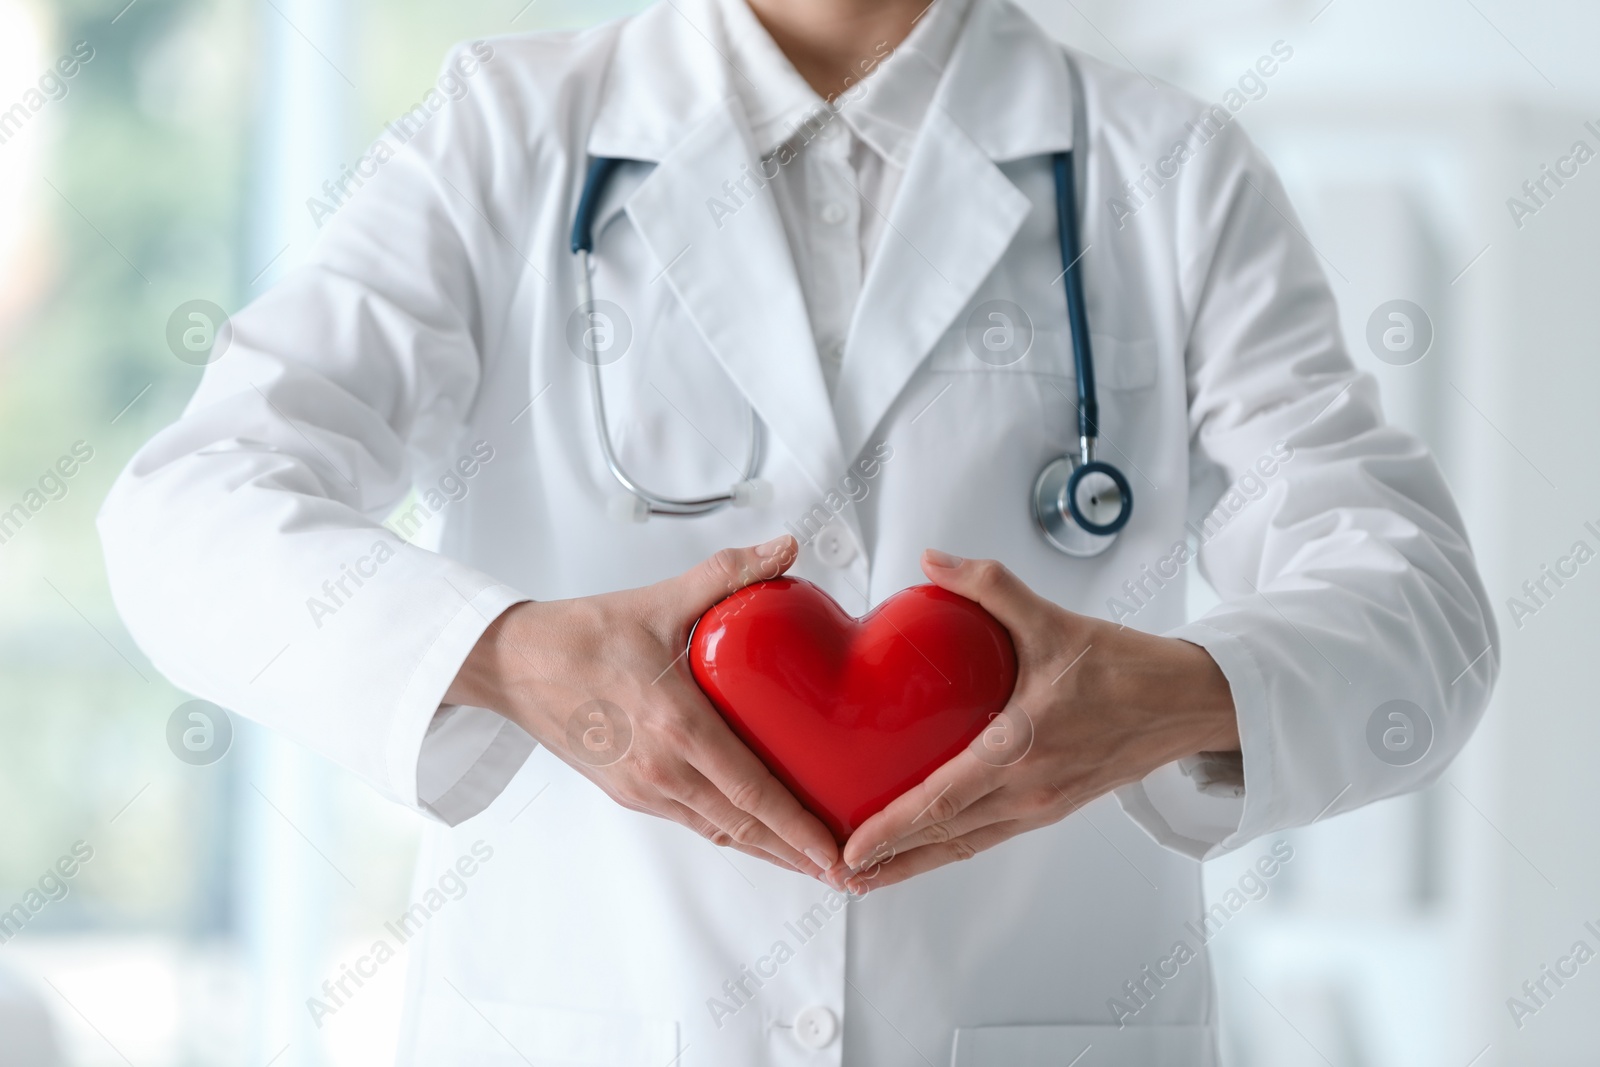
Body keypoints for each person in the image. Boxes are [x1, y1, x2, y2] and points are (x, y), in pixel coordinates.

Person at [98, 0, 1498, 1062]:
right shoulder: (502, 136)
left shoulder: (1170, 171)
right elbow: (190, 510)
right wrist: (507, 655)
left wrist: (1173, 695)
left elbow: (1421, 609)